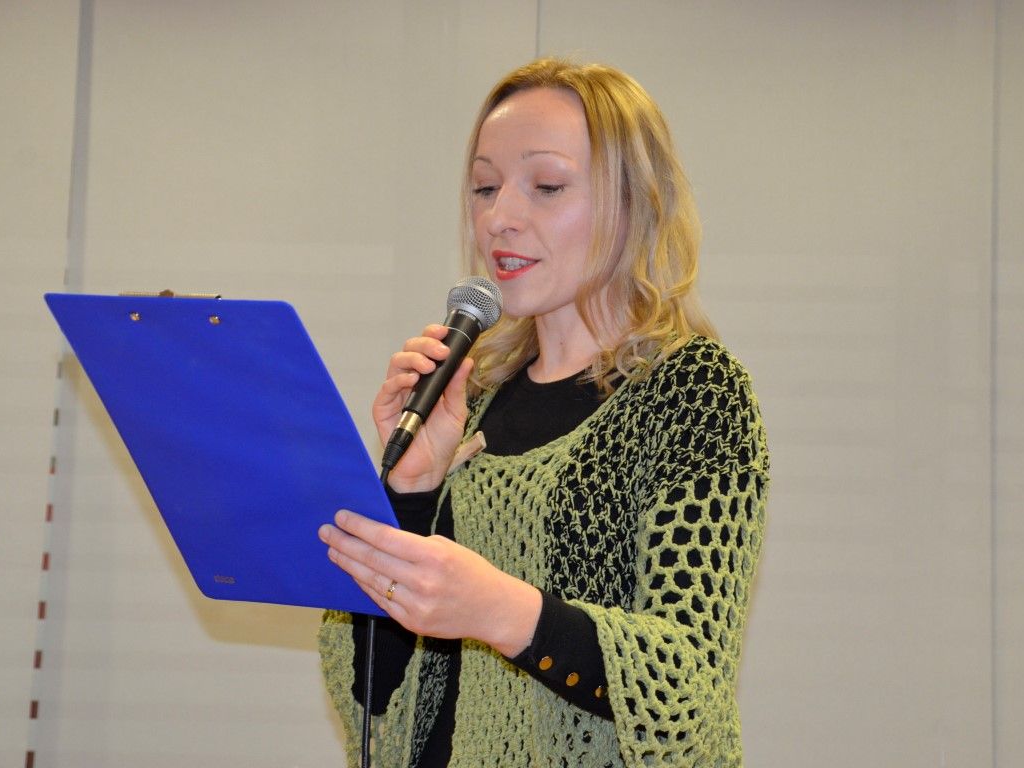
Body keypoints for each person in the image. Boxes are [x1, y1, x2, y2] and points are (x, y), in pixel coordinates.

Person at [317, 57, 769, 767]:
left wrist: (496, 608)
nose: (499, 217)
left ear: (636, 202)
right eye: (485, 187)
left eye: (547, 186)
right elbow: (372, 690)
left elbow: (686, 686)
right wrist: (412, 491)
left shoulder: (695, 392)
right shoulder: (471, 397)